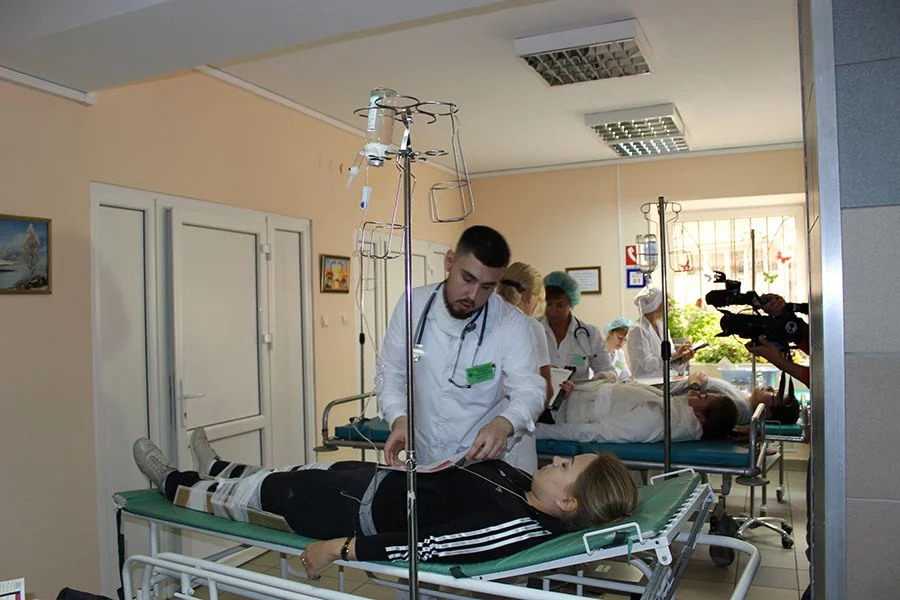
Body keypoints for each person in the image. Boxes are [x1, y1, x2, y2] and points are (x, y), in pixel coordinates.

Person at [132, 429, 639, 578]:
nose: (558, 460)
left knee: (265, 496)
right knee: (289, 474)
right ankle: (219, 467)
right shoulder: (524, 485)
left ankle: (175, 483)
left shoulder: (515, 526)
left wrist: (340, 548)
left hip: (351, 512)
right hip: (376, 481)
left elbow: (429, 546)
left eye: (568, 466)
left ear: (568, 502)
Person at [377, 226, 546, 472]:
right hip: (428, 458)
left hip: (489, 463)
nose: (473, 295)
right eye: (467, 279)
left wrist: (504, 423)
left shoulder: (511, 323)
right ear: (449, 262)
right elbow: (391, 373)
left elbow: (531, 390)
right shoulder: (412, 305)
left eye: (487, 287)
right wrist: (399, 419)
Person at [538, 381, 738, 443]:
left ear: (700, 418)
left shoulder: (658, 419)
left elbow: (594, 432)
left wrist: (537, 431)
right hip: (563, 397)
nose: (695, 393)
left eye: (701, 397)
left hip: (554, 414)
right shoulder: (671, 408)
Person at [540, 271, 616, 397]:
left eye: (560, 305)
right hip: (541, 401)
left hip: (579, 401)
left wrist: (603, 377)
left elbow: (607, 370)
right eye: (549, 304)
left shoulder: (590, 334)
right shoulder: (533, 330)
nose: (553, 310)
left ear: (571, 303)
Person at [626, 286, 694, 380]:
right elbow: (648, 364)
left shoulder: (662, 328)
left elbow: (670, 362)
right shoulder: (637, 330)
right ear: (656, 306)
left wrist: (683, 358)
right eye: (666, 302)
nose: (669, 305)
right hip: (647, 383)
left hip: (665, 380)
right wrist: (676, 354)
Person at [603, 318, 633, 382]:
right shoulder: (598, 351)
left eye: (625, 340)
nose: (622, 342)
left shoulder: (620, 353)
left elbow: (624, 372)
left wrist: (628, 381)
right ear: (610, 333)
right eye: (620, 338)